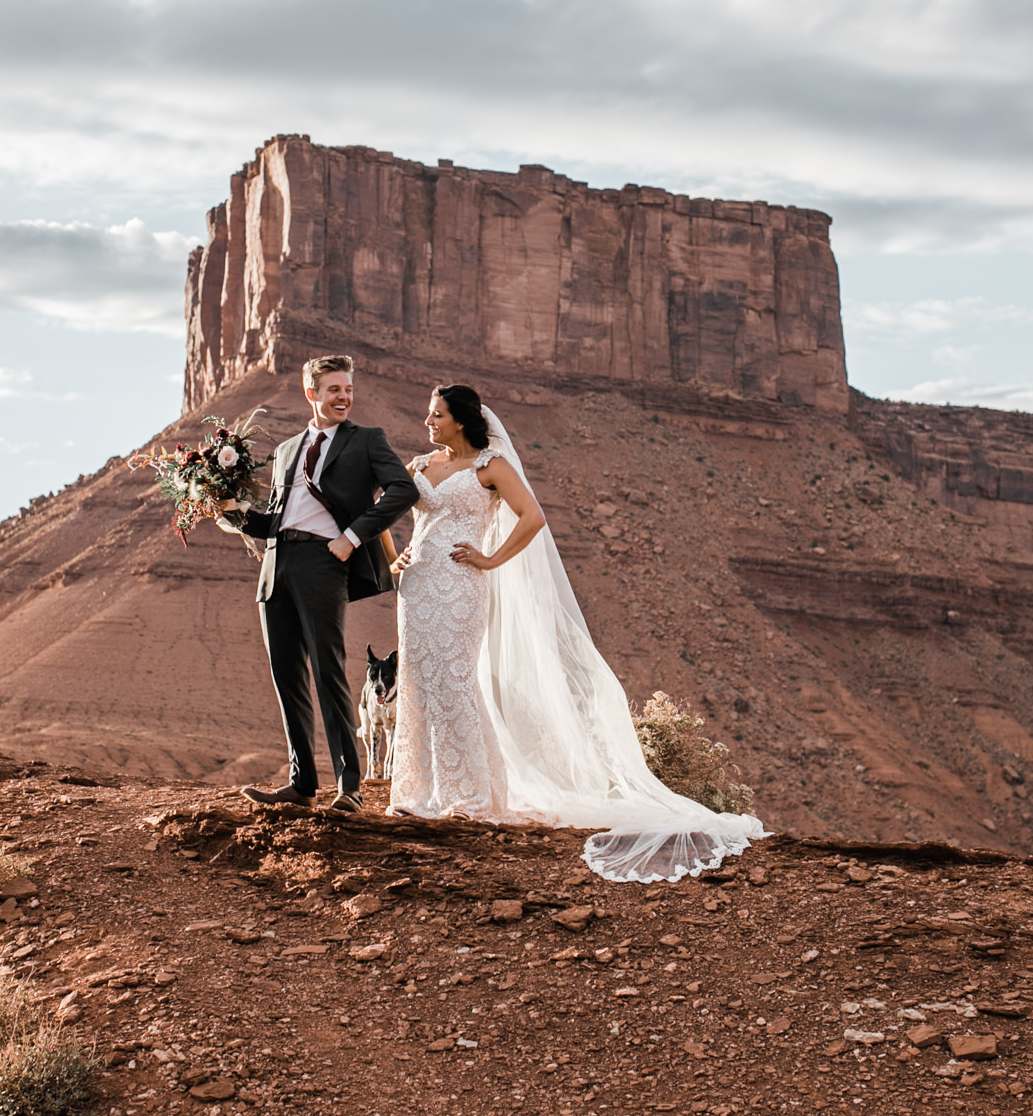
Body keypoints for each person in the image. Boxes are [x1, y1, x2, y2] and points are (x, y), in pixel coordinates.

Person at [386, 384, 765, 882]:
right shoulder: (419, 465)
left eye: (437, 414)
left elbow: (534, 517)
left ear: (461, 419)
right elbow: (379, 514)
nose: (428, 421)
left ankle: (469, 795)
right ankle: (419, 793)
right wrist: (396, 559)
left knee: (456, 679)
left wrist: (491, 560)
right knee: (418, 678)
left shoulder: (491, 467)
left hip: (461, 586)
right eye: (428, 413)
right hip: (417, 590)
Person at [221, 354, 416, 812]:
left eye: (347, 390)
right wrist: (233, 513)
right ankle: (301, 785)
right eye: (334, 390)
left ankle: (350, 788)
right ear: (312, 393)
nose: (343, 397)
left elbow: (403, 489)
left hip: (324, 563)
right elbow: (275, 520)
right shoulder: (288, 450)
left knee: (328, 673)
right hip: (276, 565)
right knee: (286, 675)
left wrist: (351, 538)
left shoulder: (367, 440)